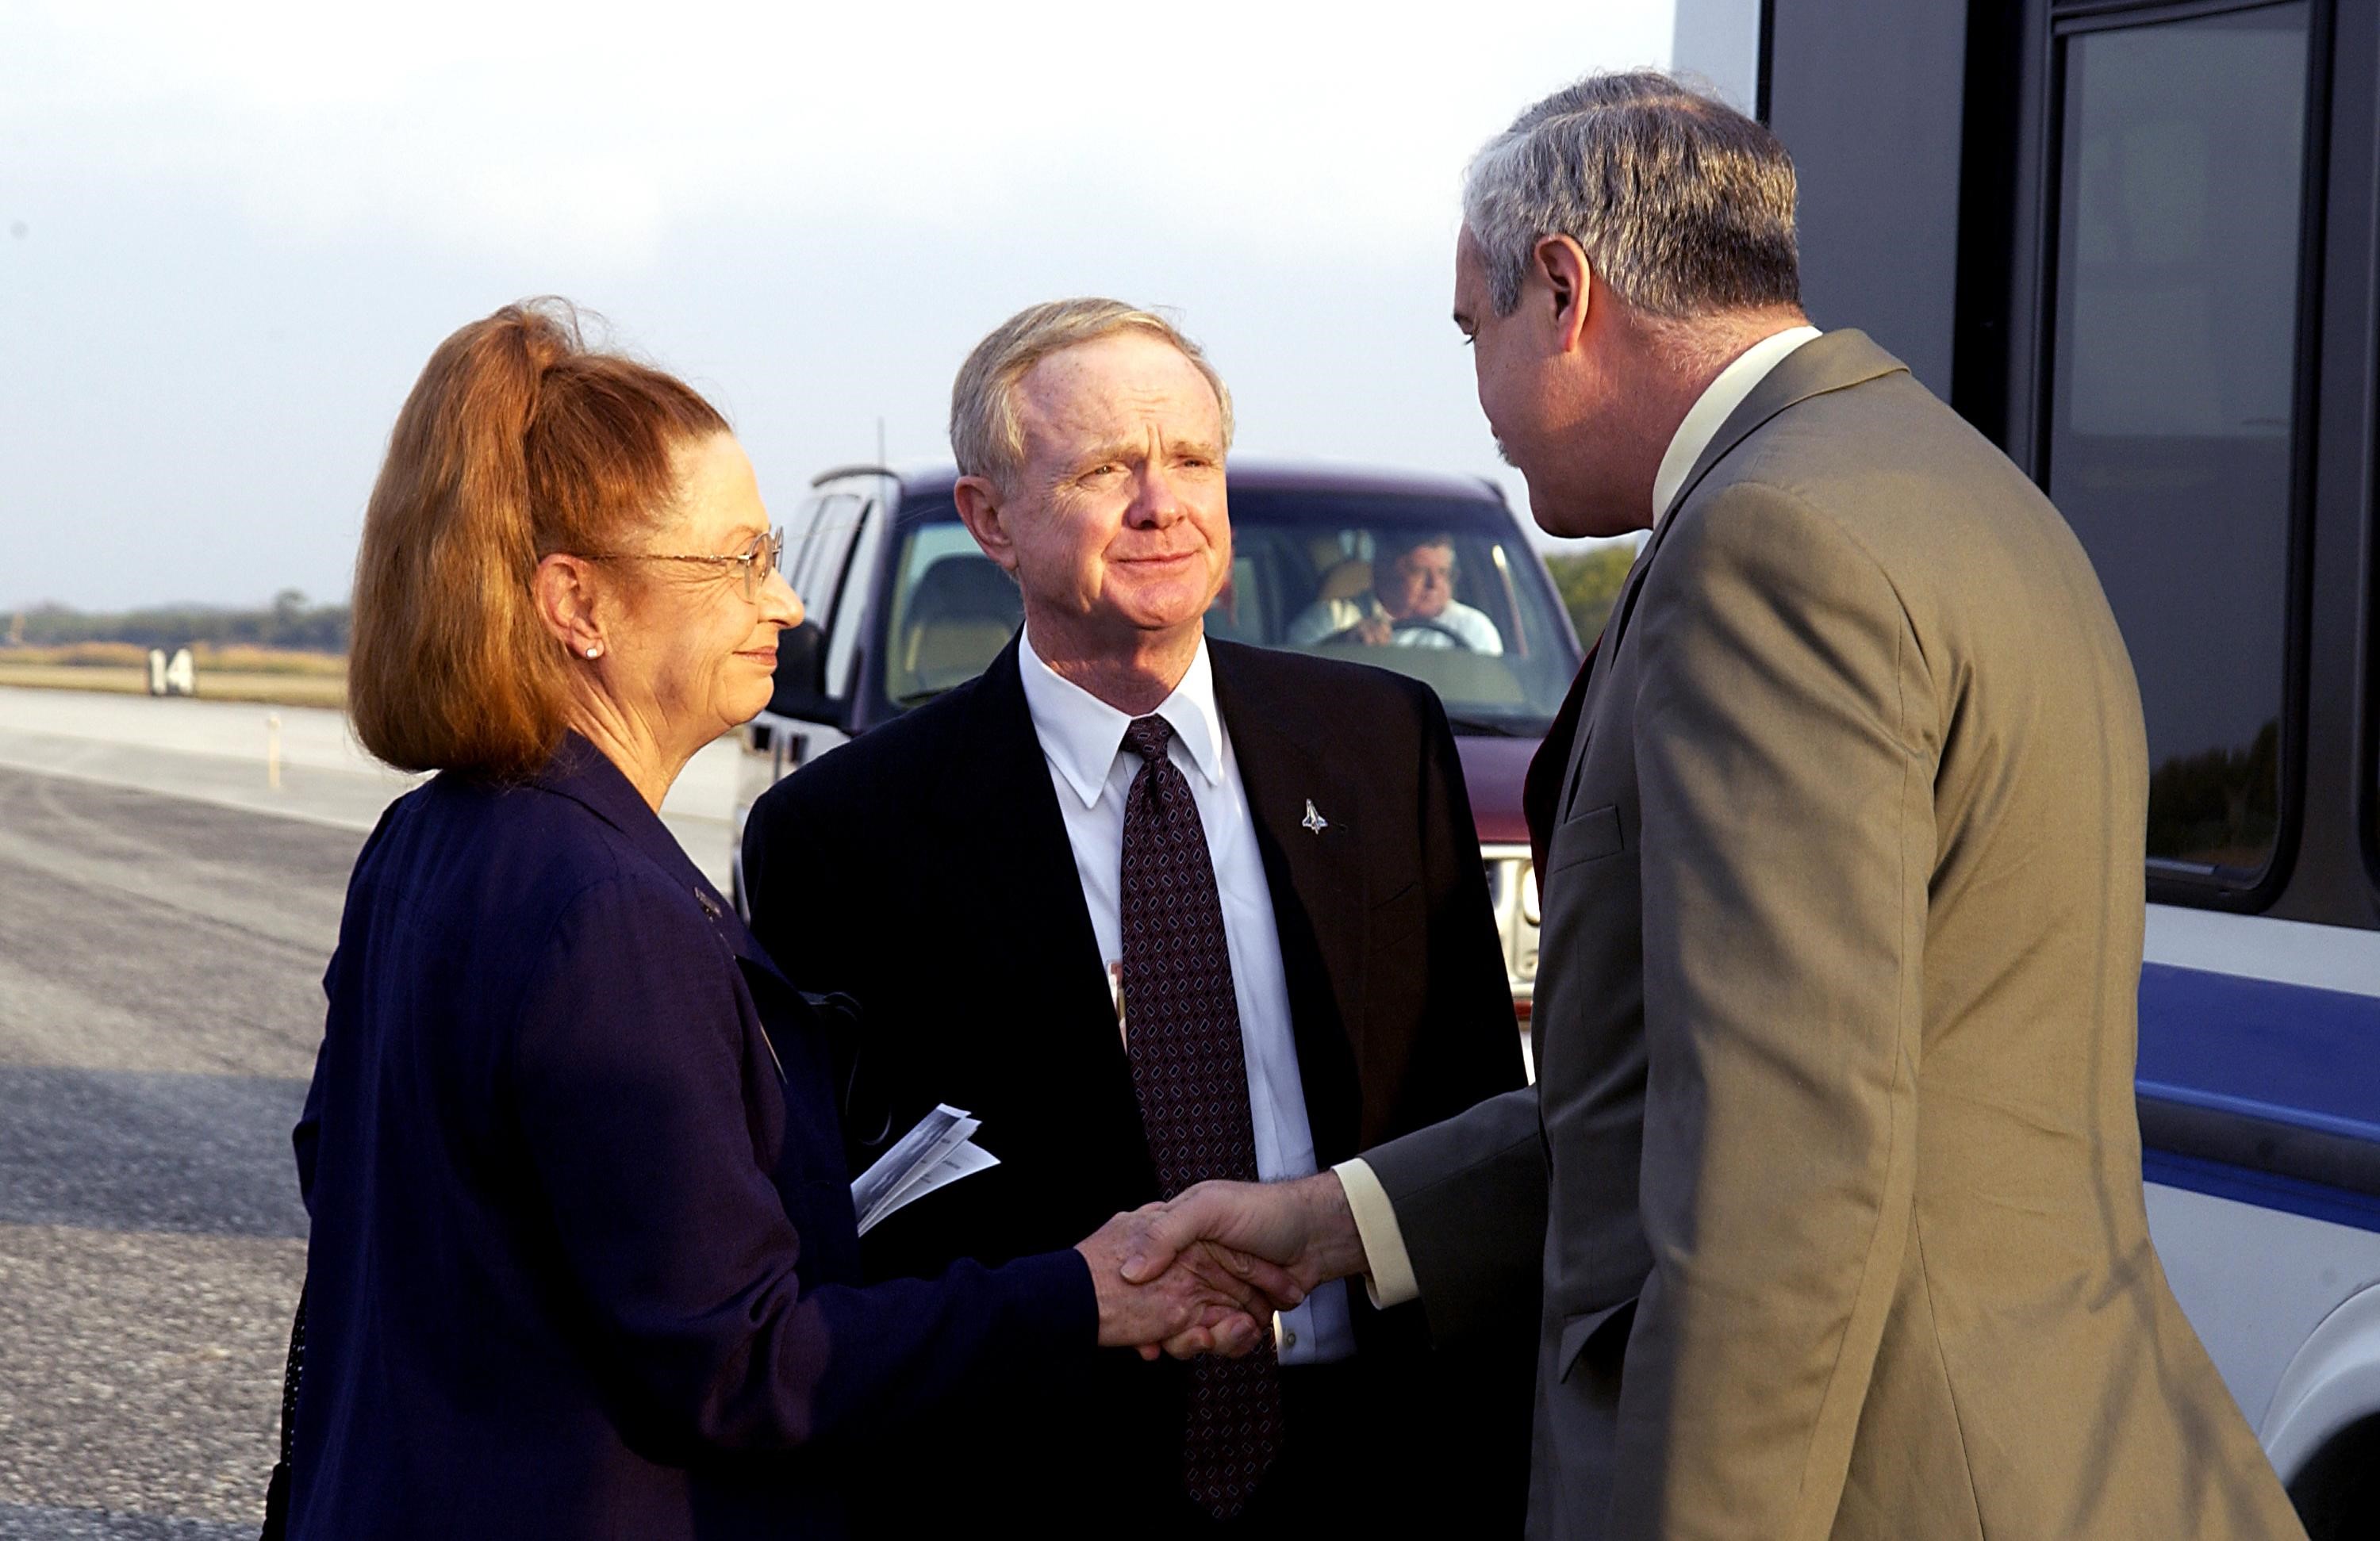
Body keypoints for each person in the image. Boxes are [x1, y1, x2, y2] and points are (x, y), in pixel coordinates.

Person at [1122, 73, 2309, 1539]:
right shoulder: (1944, 484)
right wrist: (1338, 1222)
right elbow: (1710, 1091)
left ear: (1565, 290)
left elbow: (1782, 1175)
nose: (1480, 398)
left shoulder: (1764, 548)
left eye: (1472, 330)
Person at [286, 301, 1292, 1541]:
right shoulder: (609, 911)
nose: (790, 601)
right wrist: (1081, 1292)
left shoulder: (430, 842)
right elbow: (742, 1361)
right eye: (741, 559)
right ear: (577, 602)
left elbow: (367, 1195)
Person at [739, 298, 1532, 1537]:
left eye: (1192, 460)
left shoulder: (1385, 745)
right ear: (990, 519)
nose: (1162, 504)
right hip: (1037, 1481)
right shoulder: (843, 834)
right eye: (1106, 469)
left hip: (1381, 1464)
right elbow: (841, 1234)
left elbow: (1481, 1121)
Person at [1285, 531, 1503, 653]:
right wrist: (1340, 648)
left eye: (1443, 572)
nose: (1435, 584)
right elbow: (1290, 682)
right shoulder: (1331, 620)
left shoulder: (1472, 629)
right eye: (1419, 571)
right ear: (1382, 571)